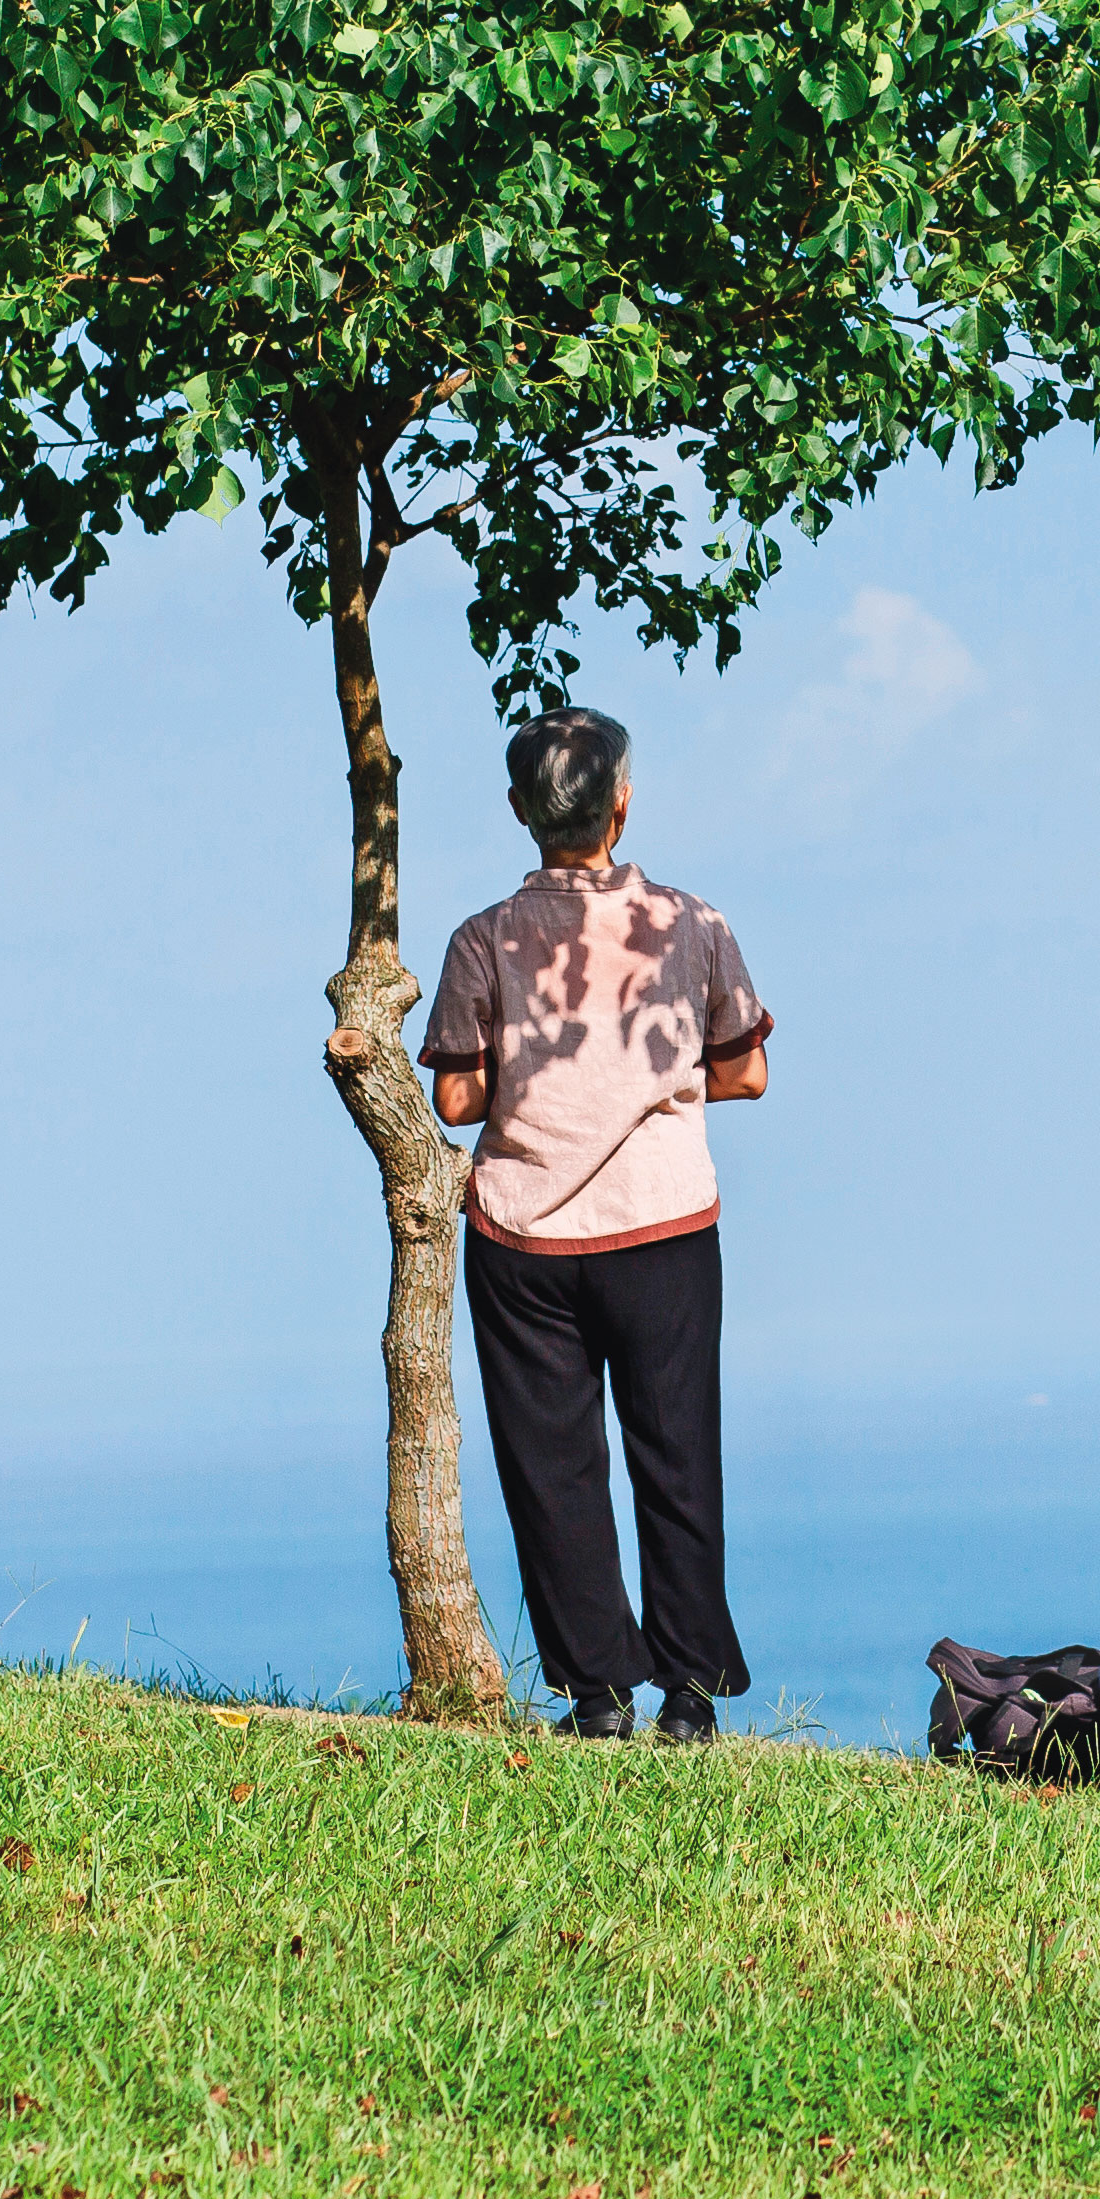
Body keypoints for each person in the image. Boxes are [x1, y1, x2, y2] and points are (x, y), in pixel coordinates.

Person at [422, 704, 772, 1742]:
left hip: (524, 1236)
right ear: (622, 804)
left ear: (518, 810)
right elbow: (748, 1070)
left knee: (553, 1468)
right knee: (677, 1454)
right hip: (663, 1225)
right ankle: (690, 1696)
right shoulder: (693, 925)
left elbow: (454, 1099)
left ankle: (597, 1695)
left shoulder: (482, 939)